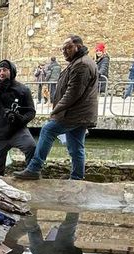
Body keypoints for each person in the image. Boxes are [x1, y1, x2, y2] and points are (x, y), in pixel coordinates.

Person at [14, 35, 98, 181]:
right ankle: (77, 178)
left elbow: (73, 93)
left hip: (74, 113)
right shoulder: (79, 62)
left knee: (48, 129)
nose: (64, 51)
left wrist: (55, 110)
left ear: (78, 46)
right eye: (63, 49)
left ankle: (34, 168)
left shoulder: (82, 65)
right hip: (80, 114)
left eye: (68, 48)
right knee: (76, 147)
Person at [0, 59, 36, 176]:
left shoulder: (23, 89)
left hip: (17, 130)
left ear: (11, 71)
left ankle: (32, 172)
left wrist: (20, 119)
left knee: (31, 146)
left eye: (5, 70)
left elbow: (31, 112)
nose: (2, 72)